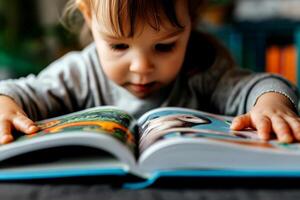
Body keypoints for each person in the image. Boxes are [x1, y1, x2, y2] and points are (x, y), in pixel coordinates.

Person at [0, 0, 299, 145]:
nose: (141, 67)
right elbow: (22, 91)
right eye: (118, 46)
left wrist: (271, 103)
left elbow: (258, 84)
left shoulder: (202, 67)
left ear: (190, 22)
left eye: (165, 47)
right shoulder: (79, 72)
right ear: (90, 20)